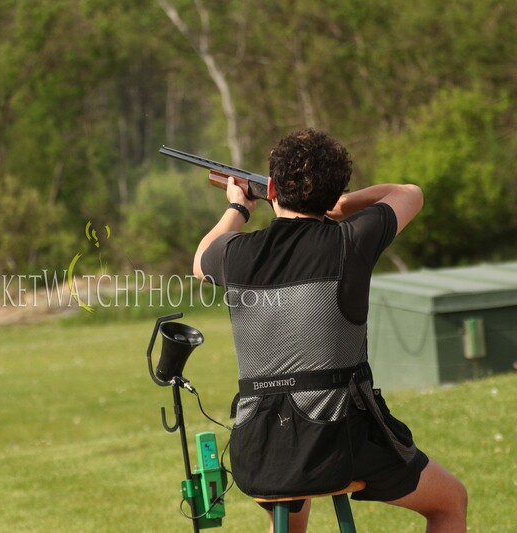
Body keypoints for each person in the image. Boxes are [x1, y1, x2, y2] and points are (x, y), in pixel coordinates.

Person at [192, 129, 467, 533]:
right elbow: (410, 193)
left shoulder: (236, 252)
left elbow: (200, 259)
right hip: (339, 443)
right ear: (334, 190)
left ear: (273, 188)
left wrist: (238, 206)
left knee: (289, 517)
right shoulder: (350, 240)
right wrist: (342, 206)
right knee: (450, 502)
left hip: (260, 450)